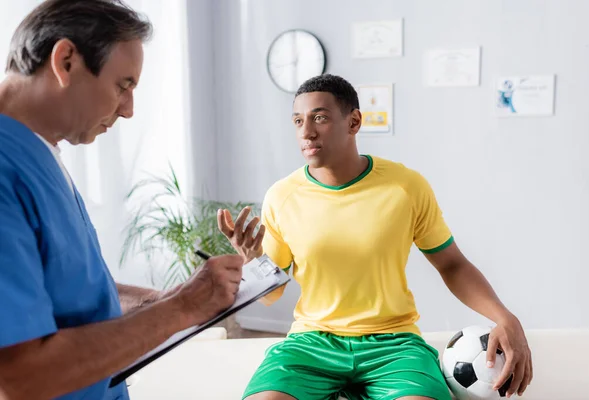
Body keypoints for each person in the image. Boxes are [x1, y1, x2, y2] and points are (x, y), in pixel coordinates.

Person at [218, 74, 533, 400]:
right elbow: (271, 293)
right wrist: (253, 260)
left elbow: (452, 265)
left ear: (353, 122)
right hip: (312, 342)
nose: (306, 132)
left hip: (394, 343)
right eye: (298, 120)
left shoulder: (406, 187)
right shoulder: (282, 196)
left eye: (320, 118)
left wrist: (504, 317)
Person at [0, 1, 243, 399]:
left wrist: (155, 300)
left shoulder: (39, 153)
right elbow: (22, 377)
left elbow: (70, 287)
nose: (128, 110)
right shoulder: (6, 168)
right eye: (123, 86)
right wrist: (180, 308)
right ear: (66, 61)